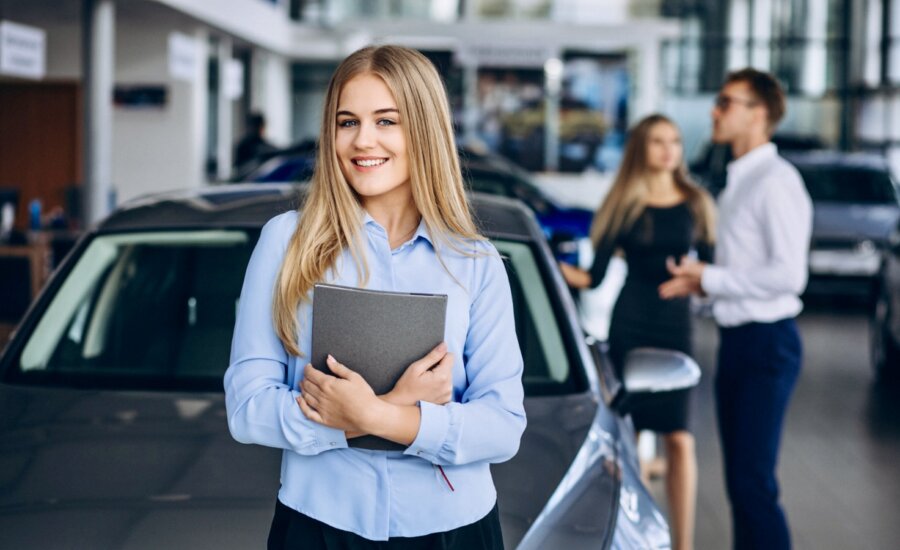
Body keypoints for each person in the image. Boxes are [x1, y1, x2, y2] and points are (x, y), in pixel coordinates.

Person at [224, 45, 526, 550]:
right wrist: (363, 418)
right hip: (319, 527)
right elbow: (247, 408)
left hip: (454, 531)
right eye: (347, 122)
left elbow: (503, 426)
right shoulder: (286, 242)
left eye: (387, 121)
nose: (363, 141)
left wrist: (377, 416)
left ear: (424, 130)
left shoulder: (476, 262)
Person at [659, 68, 812, 550]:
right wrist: (703, 287)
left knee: (753, 487)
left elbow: (790, 275)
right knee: (742, 487)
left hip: (767, 345)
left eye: (727, 102)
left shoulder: (776, 181)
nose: (715, 111)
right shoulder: (740, 181)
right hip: (741, 342)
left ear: (759, 113)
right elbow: (750, 272)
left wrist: (711, 278)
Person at [559, 114, 715, 550]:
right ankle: (643, 538)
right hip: (632, 320)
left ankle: (683, 544)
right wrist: (546, 269)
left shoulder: (697, 201)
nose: (669, 149)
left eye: (675, 141)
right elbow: (593, 276)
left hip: (677, 324)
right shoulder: (623, 202)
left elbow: (713, 267)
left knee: (680, 439)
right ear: (640, 149)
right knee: (634, 435)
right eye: (658, 141)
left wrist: (696, 279)